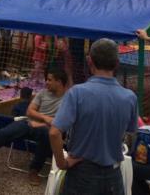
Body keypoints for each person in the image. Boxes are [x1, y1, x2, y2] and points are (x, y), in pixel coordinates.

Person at [49, 39, 138, 194]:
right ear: (117, 63)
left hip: (81, 173)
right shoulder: (129, 97)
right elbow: (131, 136)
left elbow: (54, 132)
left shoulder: (77, 93)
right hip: (113, 175)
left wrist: (62, 163)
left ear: (89, 61)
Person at [0, 68, 69, 185]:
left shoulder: (68, 99)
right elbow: (30, 111)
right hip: (29, 123)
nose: (46, 82)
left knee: (46, 133)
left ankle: (34, 170)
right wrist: (45, 118)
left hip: (48, 130)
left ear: (59, 82)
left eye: (49, 80)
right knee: (5, 132)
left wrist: (41, 123)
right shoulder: (43, 94)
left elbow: (63, 122)